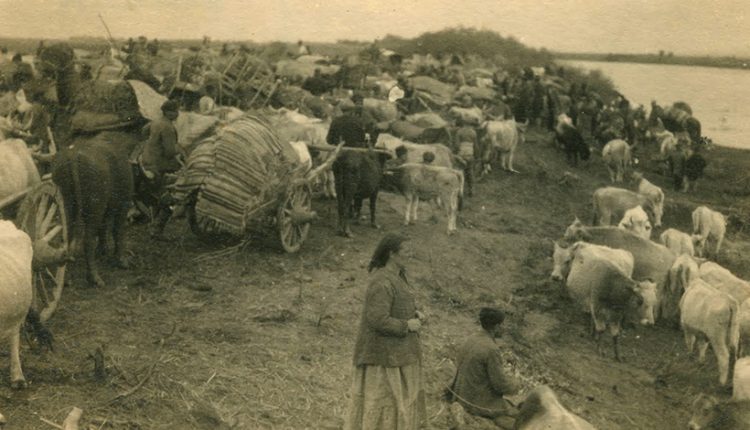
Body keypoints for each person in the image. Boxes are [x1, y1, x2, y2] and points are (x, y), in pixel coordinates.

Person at [344, 233, 426, 430]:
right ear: (392, 254)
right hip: (383, 357)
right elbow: (377, 319)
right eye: (406, 251)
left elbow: (397, 305)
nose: (410, 255)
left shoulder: (399, 277)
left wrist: (416, 314)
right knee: (384, 404)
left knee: (397, 405)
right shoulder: (381, 281)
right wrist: (406, 326)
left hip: (398, 353)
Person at [447, 307, 521, 429]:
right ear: (496, 326)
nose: (504, 328)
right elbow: (500, 384)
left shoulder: (471, 339)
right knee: (522, 417)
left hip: (460, 395)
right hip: (476, 402)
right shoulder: (491, 349)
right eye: (502, 325)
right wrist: (516, 384)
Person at [140, 100, 182, 239]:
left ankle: (153, 223)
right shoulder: (168, 127)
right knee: (169, 199)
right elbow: (170, 152)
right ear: (168, 112)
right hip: (156, 166)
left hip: (146, 161)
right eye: (175, 111)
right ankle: (156, 229)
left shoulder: (155, 122)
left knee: (158, 193)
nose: (177, 113)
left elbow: (143, 132)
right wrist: (180, 149)